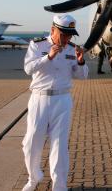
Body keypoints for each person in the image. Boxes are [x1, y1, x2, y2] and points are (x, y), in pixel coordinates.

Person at [22, 14, 89, 191]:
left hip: (62, 99)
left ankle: (59, 185)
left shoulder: (71, 49)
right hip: (39, 98)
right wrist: (48, 57)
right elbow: (28, 68)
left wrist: (81, 61)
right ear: (53, 30)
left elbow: (82, 76)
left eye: (70, 35)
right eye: (64, 34)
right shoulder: (37, 45)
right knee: (31, 142)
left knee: (59, 144)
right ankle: (33, 177)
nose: (67, 38)